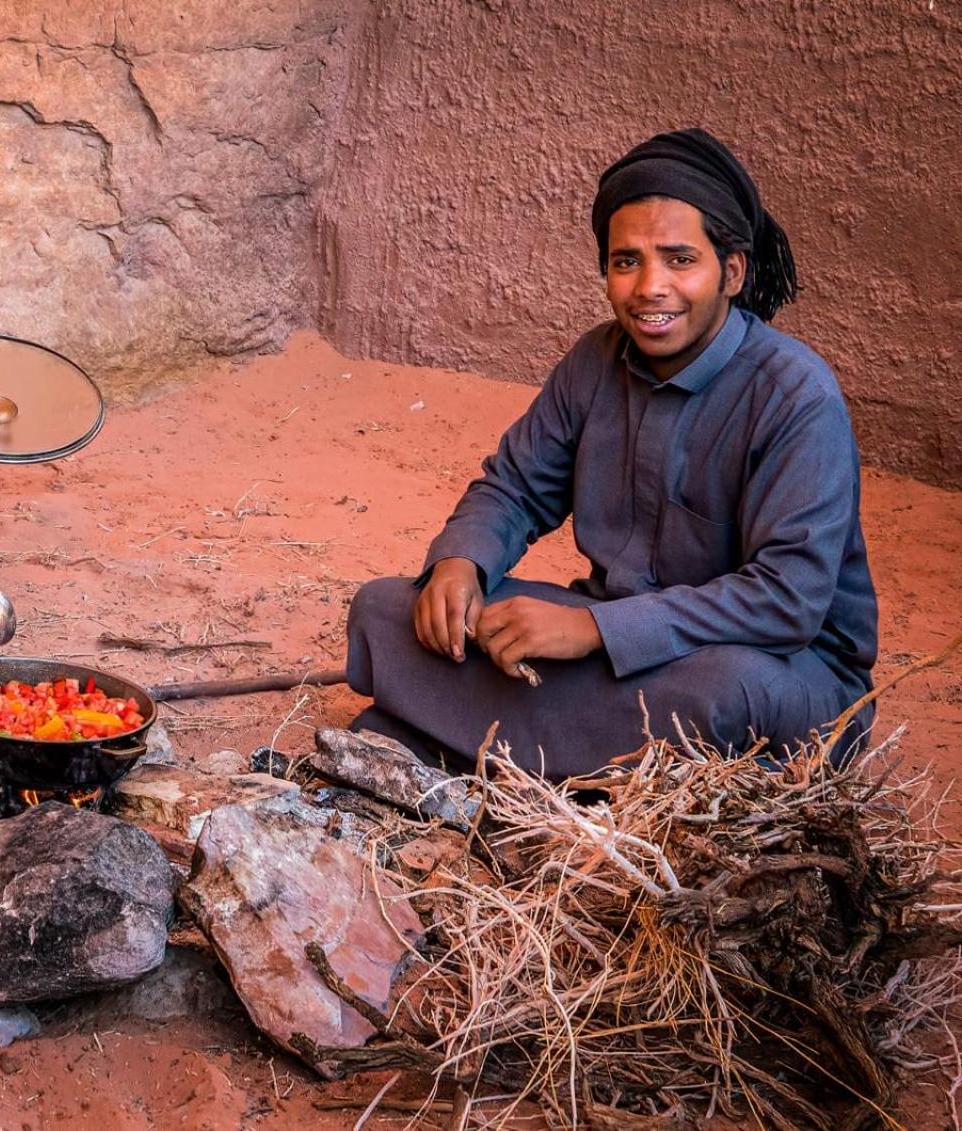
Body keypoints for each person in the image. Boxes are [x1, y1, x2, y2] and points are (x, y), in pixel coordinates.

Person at [345, 128, 878, 780]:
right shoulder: (594, 361)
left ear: (731, 271)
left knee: (720, 696)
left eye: (680, 260)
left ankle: (456, 739)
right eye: (627, 262)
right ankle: (561, 761)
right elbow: (513, 487)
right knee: (386, 610)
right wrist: (462, 564)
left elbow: (785, 601)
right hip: (609, 650)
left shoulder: (797, 396)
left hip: (778, 671)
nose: (651, 287)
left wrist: (595, 630)